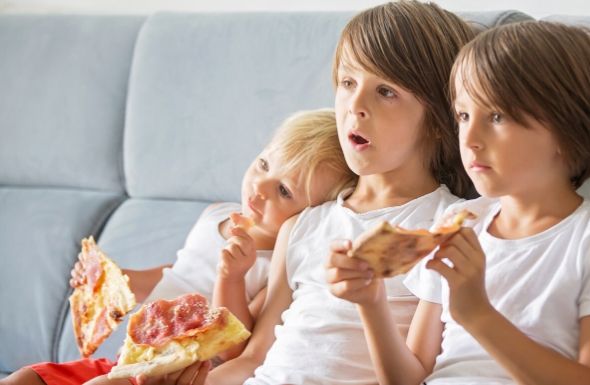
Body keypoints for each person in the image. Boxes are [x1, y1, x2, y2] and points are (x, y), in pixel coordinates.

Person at [328, 20, 590, 385]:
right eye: (463, 115)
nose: (470, 138)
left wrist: (478, 315)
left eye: (496, 116)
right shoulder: (461, 222)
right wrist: (372, 303)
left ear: (566, 129)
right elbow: (408, 378)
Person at [185, 2, 476, 385]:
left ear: (439, 120)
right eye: (348, 83)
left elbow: (415, 374)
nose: (355, 106)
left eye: (385, 91)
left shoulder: (444, 230)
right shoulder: (303, 226)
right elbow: (253, 358)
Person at [0, 108, 356, 385]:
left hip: (172, 374)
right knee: (23, 378)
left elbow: (235, 349)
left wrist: (231, 277)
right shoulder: (215, 214)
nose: (259, 188)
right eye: (263, 164)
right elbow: (174, 276)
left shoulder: (277, 263)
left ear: (313, 215)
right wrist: (115, 280)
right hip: (127, 361)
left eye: (284, 191)